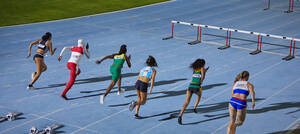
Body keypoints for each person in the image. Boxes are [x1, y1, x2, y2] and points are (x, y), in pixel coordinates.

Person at [178, 59, 209, 125]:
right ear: (202, 64)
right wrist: (201, 81)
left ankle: (180, 115)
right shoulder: (202, 68)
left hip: (190, 86)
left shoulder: (195, 69)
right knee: (199, 95)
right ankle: (195, 107)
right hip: (197, 86)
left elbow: (200, 73)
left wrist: (205, 70)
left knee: (186, 102)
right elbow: (202, 76)